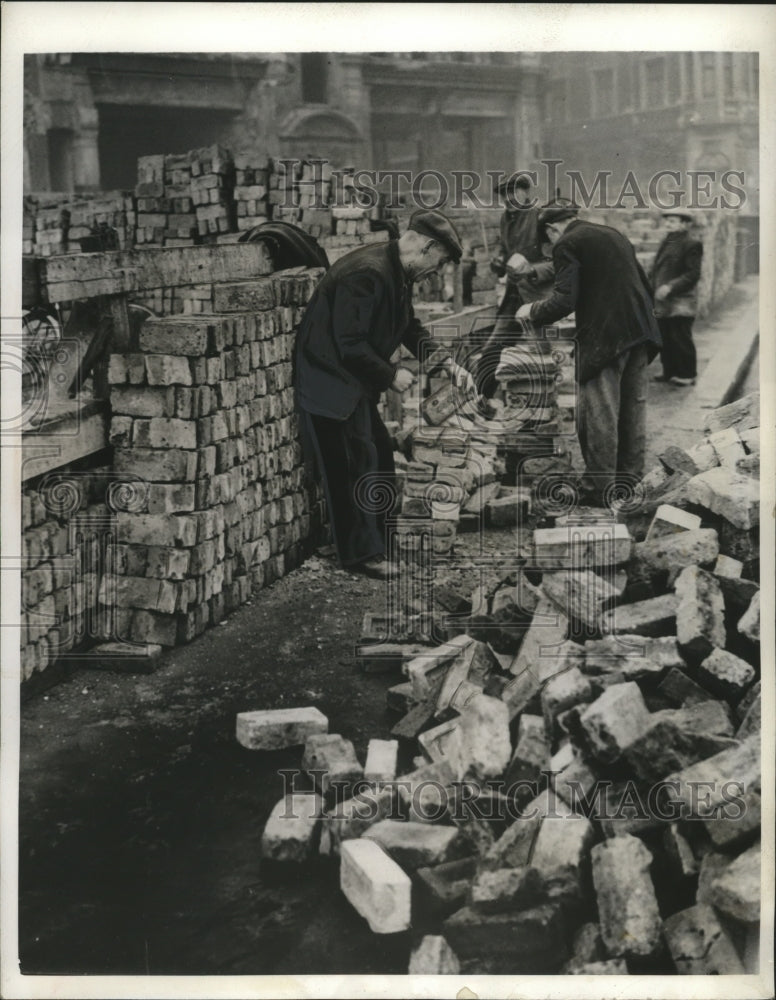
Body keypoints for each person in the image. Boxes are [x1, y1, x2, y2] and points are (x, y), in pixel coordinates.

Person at [294, 209, 477, 579]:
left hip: (351, 380)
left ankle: (381, 546)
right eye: (438, 263)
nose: (434, 274)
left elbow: (409, 326)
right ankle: (361, 555)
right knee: (355, 465)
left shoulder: (394, 272)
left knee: (378, 456)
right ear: (426, 246)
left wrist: (446, 364)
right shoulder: (368, 273)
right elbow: (349, 343)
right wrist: (391, 374)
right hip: (329, 382)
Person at [516, 203, 661, 503]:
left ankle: (598, 490)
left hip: (607, 337)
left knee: (599, 414)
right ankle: (629, 484)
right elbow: (645, 285)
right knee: (633, 412)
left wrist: (532, 310)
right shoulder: (613, 234)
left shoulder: (567, 242)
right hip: (641, 330)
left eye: (549, 241)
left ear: (552, 229)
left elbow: (564, 301)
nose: (551, 246)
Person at [475, 174, 557, 400]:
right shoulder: (505, 219)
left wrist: (532, 270)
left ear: (525, 192)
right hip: (512, 296)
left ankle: (544, 413)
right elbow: (504, 250)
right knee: (492, 350)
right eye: (503, 194)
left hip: (536, 298)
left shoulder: (541, 217)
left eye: (513, 192)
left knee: (541, 358)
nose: (508, 198)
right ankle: (481, 401)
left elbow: (558, 264)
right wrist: (498, 262)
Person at [651, 210, 703, 386]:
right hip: (663, 300)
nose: (668, 225)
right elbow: (657, 269)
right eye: (667, 221)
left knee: (680, 337)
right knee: (665, 336)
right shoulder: (667, 241)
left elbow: (693, 274)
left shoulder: (691, 244)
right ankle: (670, 371)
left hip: (682, 300)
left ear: (683, 224)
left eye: (672, 222)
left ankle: (687, 374)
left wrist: (670, 286)